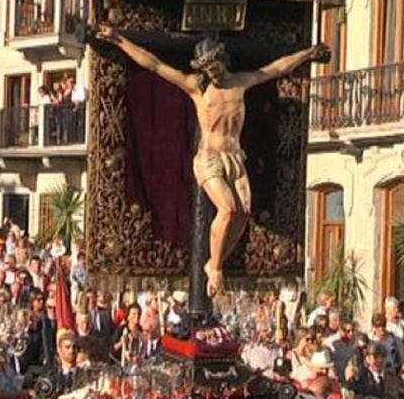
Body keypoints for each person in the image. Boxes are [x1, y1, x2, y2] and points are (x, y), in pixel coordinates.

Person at [97, 24, 328, 295]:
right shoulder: (197, 88)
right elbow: (156, 66)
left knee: (242, 215)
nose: (212, 73)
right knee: (228, 209)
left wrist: (307, 54)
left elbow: (277, 69)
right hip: (210, 158)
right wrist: (119, 40)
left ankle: (214, 261)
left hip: (235, 158)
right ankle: (215, 269)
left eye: (215, 67)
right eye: (207, 69)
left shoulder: (241, 82)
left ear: (222, 61)